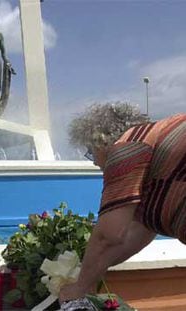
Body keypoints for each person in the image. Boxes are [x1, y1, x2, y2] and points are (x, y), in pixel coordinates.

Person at [59, 102, 186, 310]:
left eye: (91, 152)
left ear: (101, 140)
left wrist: (80, 287)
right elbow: (137, 233)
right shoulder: (152, 151)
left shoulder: (129, 146)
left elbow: (108, 236)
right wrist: (89, 272)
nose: (93, 162)